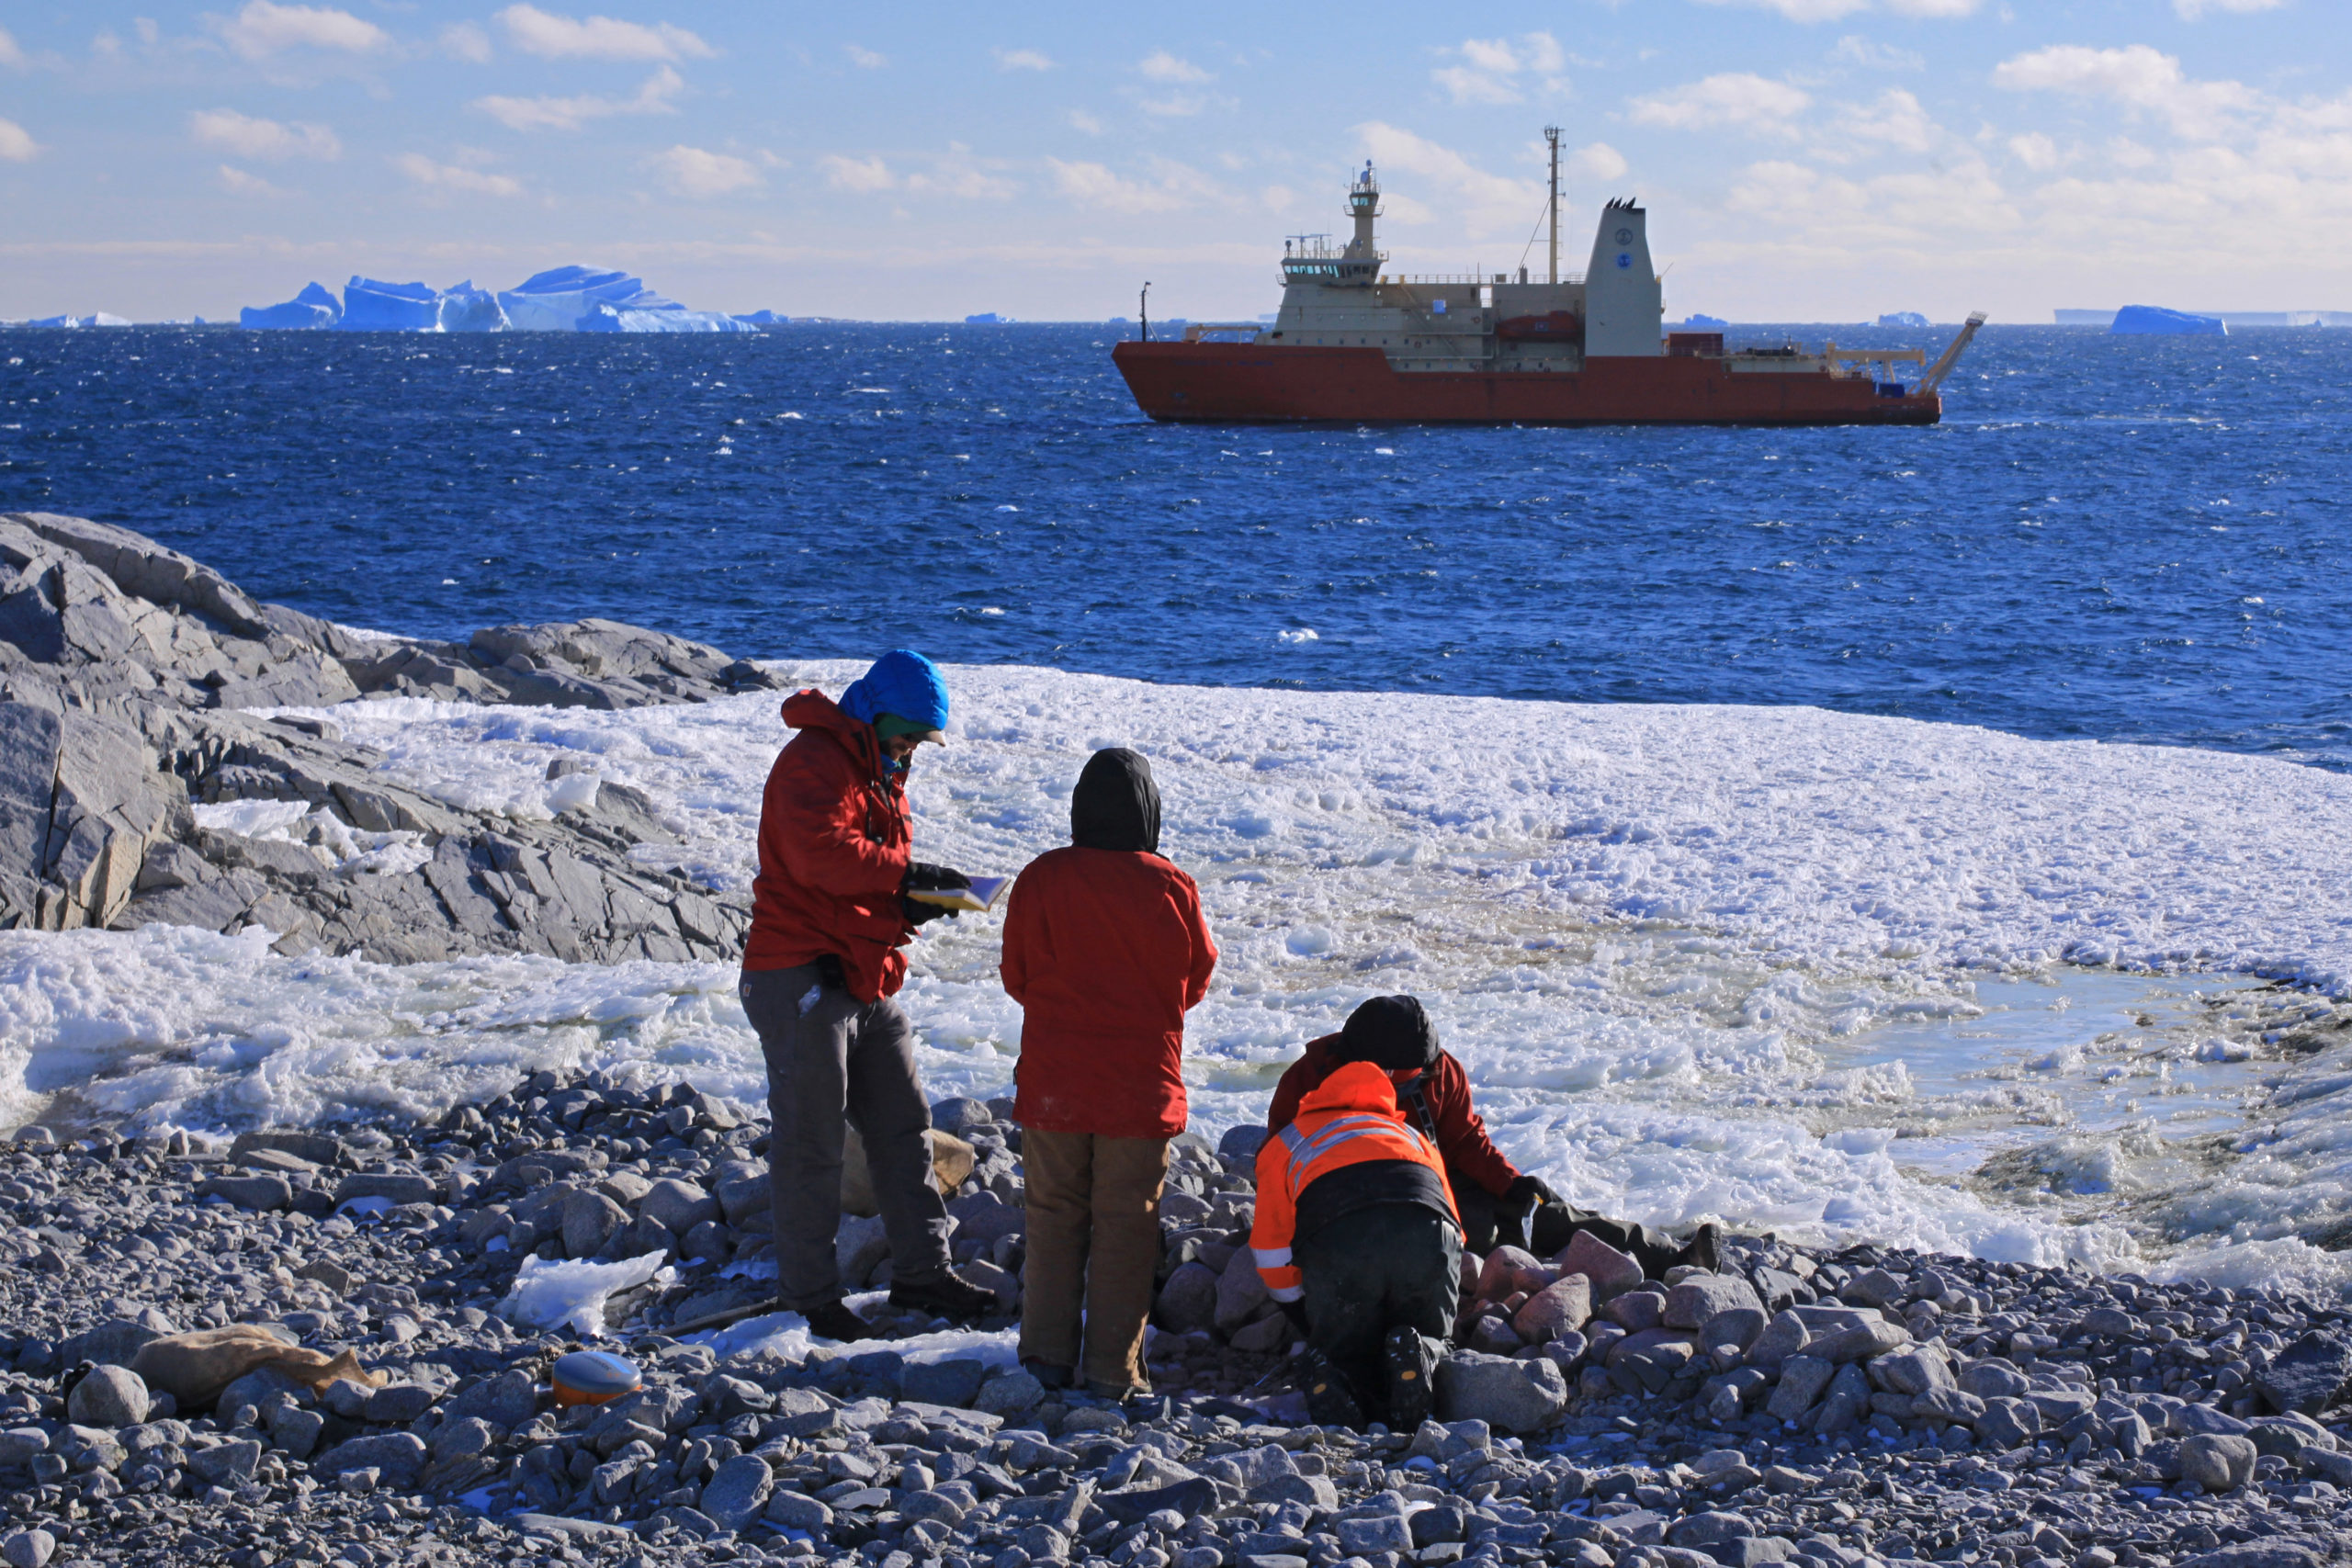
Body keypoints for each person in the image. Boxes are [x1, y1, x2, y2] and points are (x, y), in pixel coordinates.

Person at [739, 649, 999, 1343]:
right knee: (812, 1144)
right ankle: (811, 1299)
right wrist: (907, 878)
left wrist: (918, 902)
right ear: (876, 714)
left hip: (860, 971)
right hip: (798, 972)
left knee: (903, 1123)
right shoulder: (814, 761)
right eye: (907, 733)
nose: (913, 747)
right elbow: (824, 856)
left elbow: (863, 876)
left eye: (920, 737)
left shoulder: (882, 769)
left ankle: (923, 1273)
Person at [1001, 749, 1218, 1399]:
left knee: (1052, 1215)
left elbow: (1017, 975)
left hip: (1053, 1085)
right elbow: (1197, 976)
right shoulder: (1172, 885)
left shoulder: (1040, 878)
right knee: (1127, 1225)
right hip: (1138, 1088)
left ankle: (1044, 1356)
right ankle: (1111, 1371)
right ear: (1149, 812)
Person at [1267, 995, 1717, 1277]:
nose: (1420, 1082)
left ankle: (1669, 1257)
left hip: (1436, 1181)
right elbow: (1278, 1168)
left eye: (1424, 1071)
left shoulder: (1440, 1070)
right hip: (1355, 1201)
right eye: (1406, 1079)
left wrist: (1510, 1181)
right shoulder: (1306, 1083)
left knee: (1543, 1210)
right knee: (1479, 1229)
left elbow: (1464, 1140)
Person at [1251, 1057, 1460, 1429]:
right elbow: (1456, 1232)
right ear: (1386, 1098)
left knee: (1346, 1343)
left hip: (1343, 1236)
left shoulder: (1290, 1139)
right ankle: (1422, 1355)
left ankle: (1336, 1376)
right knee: (1429, 1331)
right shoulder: (1414, 1137)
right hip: (1427, 1233)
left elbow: (1271, 1250)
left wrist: (1302, 1314)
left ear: (1318, 1097)